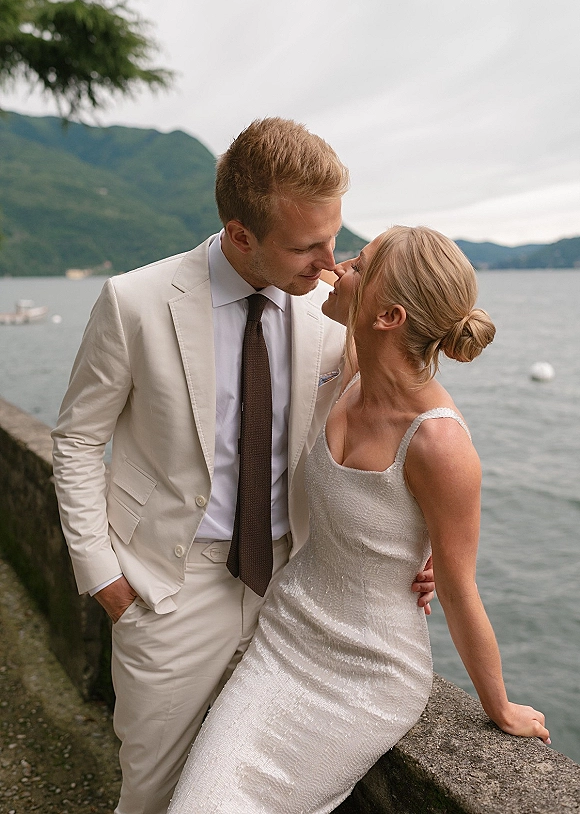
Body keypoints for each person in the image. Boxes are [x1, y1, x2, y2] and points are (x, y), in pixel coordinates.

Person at [51, 119, 434, 814]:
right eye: (306, 246)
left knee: (258, 790)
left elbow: (398, 419)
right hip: (168, 588)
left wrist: (419, 544)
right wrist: (103, 577)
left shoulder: (331, 306)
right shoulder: (134, 302)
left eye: (333, 238)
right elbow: (77, 440)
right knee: (151, 791)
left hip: (295, 590)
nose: (330, 264)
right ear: (240, 235)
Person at [168, 225, 550, 814]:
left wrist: (498, 707)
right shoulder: (350, 370)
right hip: (284, 637)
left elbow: (458, 586)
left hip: (366, 675)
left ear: (389, 316)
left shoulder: (439, 444)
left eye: (358, 263)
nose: (338, 264)